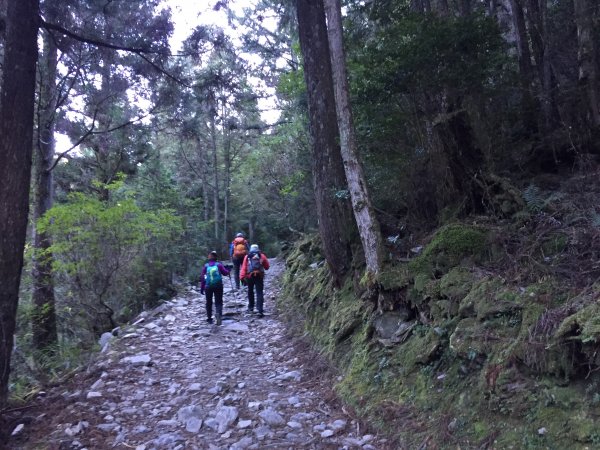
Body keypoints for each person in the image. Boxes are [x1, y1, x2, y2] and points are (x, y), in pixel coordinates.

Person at [200, 251, 230, 325]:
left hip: (208, 286)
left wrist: (202, 288)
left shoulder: (206, 266)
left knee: (209, 302)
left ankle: (209, 319)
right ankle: (219, 315)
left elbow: (203, 278)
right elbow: (225, 273)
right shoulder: (219, 265)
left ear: (209, 257)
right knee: (218, 302)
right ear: (216, 257)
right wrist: (228, 270)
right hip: (218, 285)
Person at [240, 244, 270, 317]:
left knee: (250, 291)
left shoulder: (247, 256)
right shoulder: (261, 256)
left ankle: (251, 308)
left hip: (249, 276)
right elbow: (267, 267)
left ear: (250, 249)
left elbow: (243, 267)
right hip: (259, 276)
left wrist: (242, 277)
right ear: (258, 249)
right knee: (259, 292)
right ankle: (260, 310)